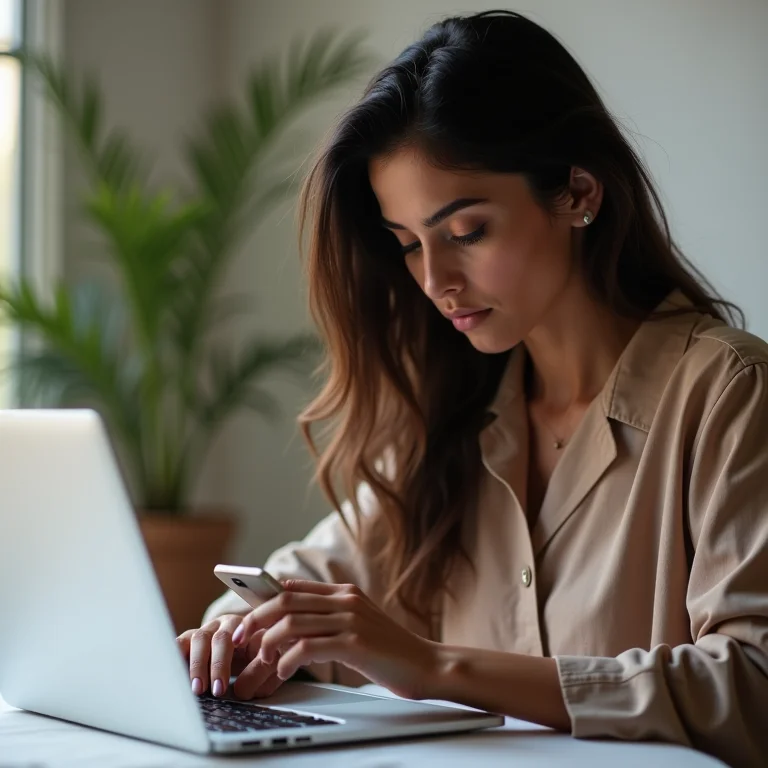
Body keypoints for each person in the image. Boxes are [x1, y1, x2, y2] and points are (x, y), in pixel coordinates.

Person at [177, 10, 768, 766]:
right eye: (409, 246)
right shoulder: (451, 419)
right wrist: (228, 639)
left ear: (578, 192)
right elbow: (297, 589)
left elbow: (753, 684)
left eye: (466, 232)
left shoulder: (727, 394)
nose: (435, 281)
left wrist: (433, 667)